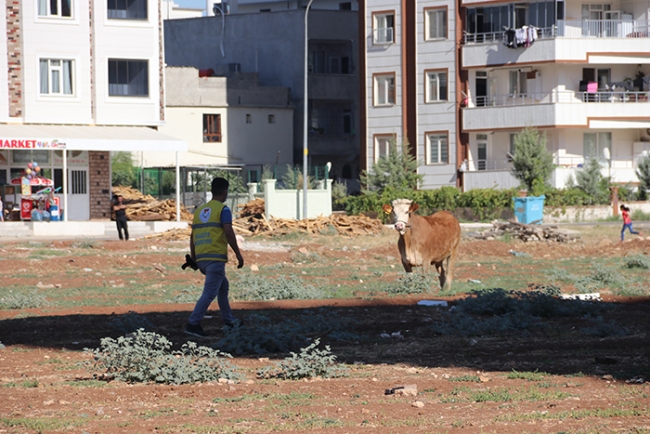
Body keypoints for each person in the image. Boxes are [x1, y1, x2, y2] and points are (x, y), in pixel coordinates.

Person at [185, 177, 244, 338]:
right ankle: (193, 323)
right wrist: (238, 254)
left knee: (222, 287)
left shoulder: (199, 211)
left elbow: (192, 236)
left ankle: (230, 321)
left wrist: (194, 258)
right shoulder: (223, 210)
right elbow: (228, 232)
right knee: (210, 293)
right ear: (225, 192)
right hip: (215, 259)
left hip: (203, 259)